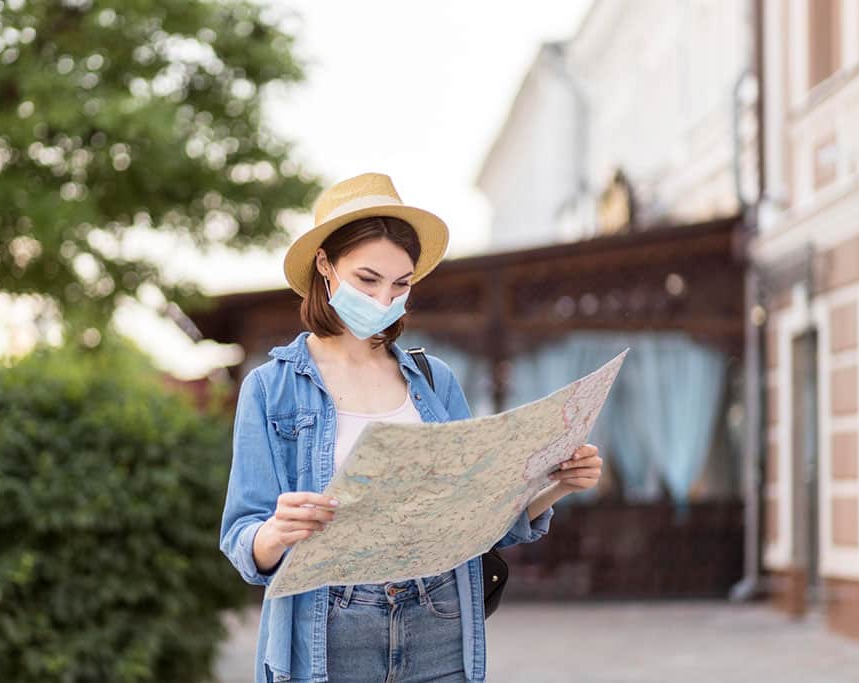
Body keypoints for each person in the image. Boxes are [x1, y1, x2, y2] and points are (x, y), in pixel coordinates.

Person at [219, 172, 603, 683]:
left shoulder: (433, 380)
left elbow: (479, 520)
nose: (384, 301)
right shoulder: (271, 387)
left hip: (439, 616)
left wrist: (554, 484)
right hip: (330, 628)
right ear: (325, 266)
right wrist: (274, 532)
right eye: (367, 280)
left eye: (400, 285)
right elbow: (243, 539)